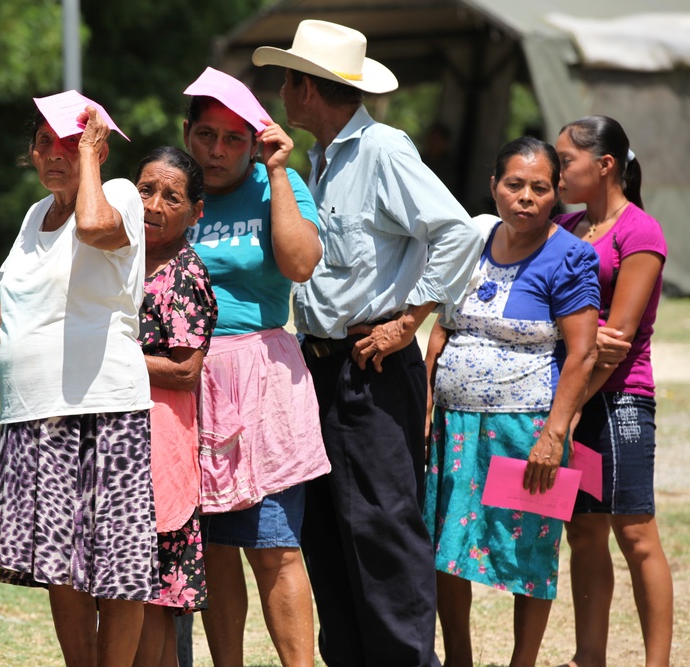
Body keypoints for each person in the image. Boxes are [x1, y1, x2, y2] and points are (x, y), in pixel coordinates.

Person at [252, 20, 484, 666]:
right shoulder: (319, 161)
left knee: (383, 529)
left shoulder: (382, 149)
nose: (281, 92)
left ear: (308, 88)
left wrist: (410, 318)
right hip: (323, 365)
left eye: (288, 80)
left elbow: (458, 232)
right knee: (329, 532)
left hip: (374, 363)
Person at [0, 94, 155, 667]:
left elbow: (94, 228)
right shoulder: (34, 216)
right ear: (31, 152)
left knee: (118, 566)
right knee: (59, 567)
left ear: (98, 147)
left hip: (106, 407)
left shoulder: (120, 196)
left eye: (71, 142)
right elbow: (5, 303)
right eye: (45, 143)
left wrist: (91, 157)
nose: (55, 154)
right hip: (34, 414)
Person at [423, 137, 600, 667]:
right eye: (514, 185)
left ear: (556, 194)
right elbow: (441, 331)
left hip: (526, 431)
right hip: (454, 429)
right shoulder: (470, 242)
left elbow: (583, 354)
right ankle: (459, 659)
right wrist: (426, 404)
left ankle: (522, 662)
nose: (525, 197)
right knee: (446, 550)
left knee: (529, 549)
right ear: (494, 186)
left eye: (539, 188)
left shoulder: (570, 256)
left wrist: (554, 435)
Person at [181, 67, 327, 667]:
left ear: (256, 140)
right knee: (212, 549)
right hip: (186, 381)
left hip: (261, 378)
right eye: (206, 134)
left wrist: (275, 171)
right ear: (187, 133)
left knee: (274, 545)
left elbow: (299, 264)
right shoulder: (170, 192)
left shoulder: (278, 185)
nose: (218, 151)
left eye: (234, 138)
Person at [555, 116, 673, 667]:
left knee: (635, 532)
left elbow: (615, 343)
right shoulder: (567, 226)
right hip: (573, 398)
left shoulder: (640, 231)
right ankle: (590, 657)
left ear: (604, 166)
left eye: (565, 162)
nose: (556, 172)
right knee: (583, 532)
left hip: (619, 399)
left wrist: (571, 409)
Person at [132, 146, 218, 667]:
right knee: (135, 592)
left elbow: (186, 372)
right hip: (124, 442)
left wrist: (114, 355)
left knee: (155, 599)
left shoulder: (184, 274)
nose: (154, 205)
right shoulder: (123, 258)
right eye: (146, 190)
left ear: (196, 211)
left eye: (172, 196)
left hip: (159, 450)